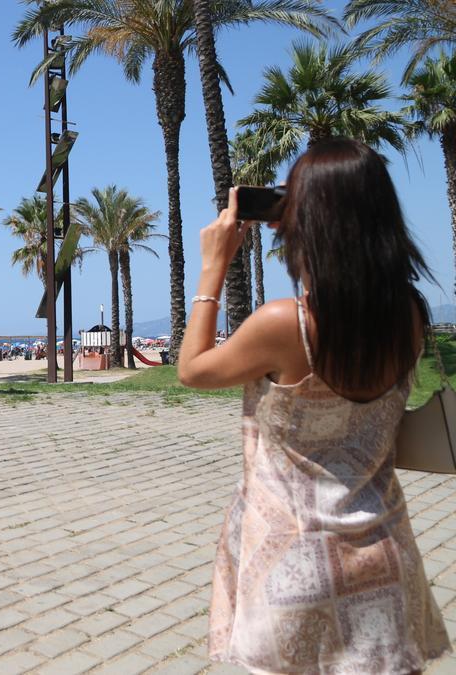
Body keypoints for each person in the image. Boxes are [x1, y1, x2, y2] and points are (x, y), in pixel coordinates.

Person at [178, 138, 449, 674]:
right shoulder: (411, 315)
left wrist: (214, 266)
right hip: (384, 554)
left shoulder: (286, 324)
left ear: (311, 221)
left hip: (294, 563)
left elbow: (192, 369)